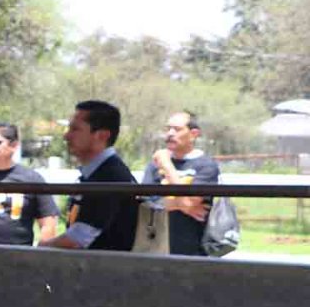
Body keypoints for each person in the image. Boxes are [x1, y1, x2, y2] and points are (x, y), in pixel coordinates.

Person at [42, 100, 139, 251]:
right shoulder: (98, 173)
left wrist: (40, 248)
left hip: (105, 271)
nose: (67, 135)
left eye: (75, 129)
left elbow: (77, 240)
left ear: (102, 136)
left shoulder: (111, 177)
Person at [141, 111, 220, 256]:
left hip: (192, 250)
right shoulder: (154, 165)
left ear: (194, 134)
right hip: (155, 248)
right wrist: (180, 204)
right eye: (168, 129)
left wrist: (167, 166)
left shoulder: (206, 166)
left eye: (177, 129)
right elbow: (146, 204)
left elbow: (191, 203)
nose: (170, 133)